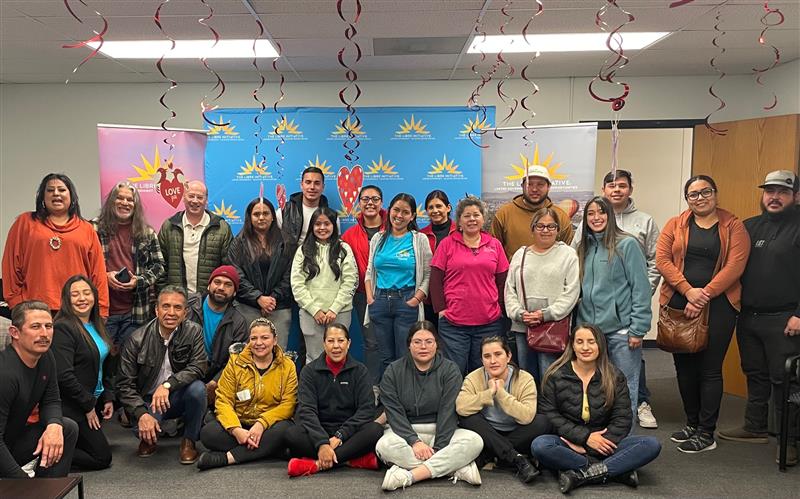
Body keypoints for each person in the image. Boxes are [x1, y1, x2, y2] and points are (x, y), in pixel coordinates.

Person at [656, 175, 750, 453]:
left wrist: (703, 294)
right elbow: (662, 260)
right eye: (693, 194)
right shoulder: (675, 224)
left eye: (705, 192)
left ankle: (706, 432)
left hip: (719, 305)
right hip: (678, 301)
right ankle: (692, 423)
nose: (700, 198)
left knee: (709, 369)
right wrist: (688, 291)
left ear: (715, 193)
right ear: (687, 199)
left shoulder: (733, 226)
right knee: (684, 368)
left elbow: (735, 266)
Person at [718, 171, 800, 465]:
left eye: (782, 192)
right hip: (749, 316)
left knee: (785, 382)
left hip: (786, 320)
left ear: (796, 196)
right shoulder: (750, 226)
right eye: (769, 191)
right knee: (754, 373)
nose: (774, 197)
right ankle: (755, 426)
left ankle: (791, 442)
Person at [573, 170, 662, 429]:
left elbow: (640, 288)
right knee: (596, 388)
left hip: (622, 331)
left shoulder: (627, 244)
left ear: (610, 216)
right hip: (590, 331)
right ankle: (599, 438)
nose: (596, 218)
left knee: (625, 389)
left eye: (601, 213)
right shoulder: (582, 248)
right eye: (591, 214)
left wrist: (638, 328)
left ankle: (626, 444)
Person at [531, 325, 661, 494]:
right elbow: (549, 415)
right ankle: (615, 471)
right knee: (540, 445)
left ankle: (581, 474)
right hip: (570, 442)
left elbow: (623, 418)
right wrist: (584, 438)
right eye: (580, 342)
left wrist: (592, 446)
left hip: (606, 443)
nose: (585, 347)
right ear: (572, 345)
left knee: (650, 444)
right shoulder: (555, 375)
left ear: (600, 345)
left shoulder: (614, 376)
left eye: (591, 342)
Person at [376, 321, 483, 491]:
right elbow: (394, 412)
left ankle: (409, 475)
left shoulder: (450, 369)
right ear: (409, 345)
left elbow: (448, 412)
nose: (423, 347)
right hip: (404, 432)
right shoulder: (393, 370)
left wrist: (439, 447)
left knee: (475, 441)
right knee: (384, 446)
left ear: (437, 344)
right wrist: (414, 441)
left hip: (442, 432)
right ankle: (454, 468)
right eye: (417, 342)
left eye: (429, 341)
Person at [117, 286, 208, 464]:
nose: (171, 313)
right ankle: (148, 435)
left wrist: (168, 385)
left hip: (176, 395)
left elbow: (198, 366)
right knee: (140, 428)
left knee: (198, 389)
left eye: (177, 307)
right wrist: (142, 413)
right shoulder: (136, 339)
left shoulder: (194, 331)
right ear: (156, 310)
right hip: (147, 401)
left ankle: (189, 441)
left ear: (186, 313)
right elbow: (124, 385)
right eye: (166, 306)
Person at [197, 318, 297, 470]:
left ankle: (227, 458)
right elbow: (223, 400)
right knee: (208, 433)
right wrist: (236, 430)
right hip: (240, 422)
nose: (258, 343)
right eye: (254, 338)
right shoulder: (235, 363)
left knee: (287, 431)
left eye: (265, 338)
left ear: (275, 340)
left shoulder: (288, 366)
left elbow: (288, 404)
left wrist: (261, 424)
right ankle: (272, 450)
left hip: (270, 426)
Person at [2, 173, 109, 316]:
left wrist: (101, 309)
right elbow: (10, 266)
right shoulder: (25, 223)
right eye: (50, 190)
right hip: (34, 309)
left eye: (62, 190)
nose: (56, 193)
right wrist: (16, 303)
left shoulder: (86, 229)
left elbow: (98, 272)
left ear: (71, 196)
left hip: (77, 309)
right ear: (42, 196)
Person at [285, 323, 383, 477]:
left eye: (341, 341)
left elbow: (366, 410)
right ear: (324, 344)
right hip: (318, 431)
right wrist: (322, 442)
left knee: (375, 430)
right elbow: (306, 410)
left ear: (349, 343)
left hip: (348, 434)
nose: (336, 346)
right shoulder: (309, 372)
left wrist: (339, 436)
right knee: (291, 434)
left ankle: (317, 464)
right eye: (330, 341)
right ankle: (349, 460)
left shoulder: (360, 371)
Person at [456, 335, 550, 484]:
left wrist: (500, 393)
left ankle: (492, 454)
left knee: (541, 422)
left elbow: (527, 416)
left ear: (508, 356)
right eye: (487, 356)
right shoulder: (473, 378)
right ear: (482, 360)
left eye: (498, 354)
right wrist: (489, 393)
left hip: (516, 432)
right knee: (468, 418)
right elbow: (461, 407)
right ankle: (516, 458)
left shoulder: (525, 378)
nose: (492, 361)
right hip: (487, 432)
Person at [430, 196, 509, 374]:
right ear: (459, 221)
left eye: (476, 215)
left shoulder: (495, 245)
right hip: (453, 324)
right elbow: (435, 279)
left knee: (484, 373)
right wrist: (441, 310)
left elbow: (503, 281)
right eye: (467, 216)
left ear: (483, 219)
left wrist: (502, 310)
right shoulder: (447, 244)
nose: (472, 219)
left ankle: (482, 402)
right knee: (453, 372)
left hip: (489, 323)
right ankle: (455, 403)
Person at [0, 301, 79, 478]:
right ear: (15, 332)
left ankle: (48, 491)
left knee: (66, 428)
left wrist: (53, 425)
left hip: (11, 441)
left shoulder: (45, 357)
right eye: (35, 327)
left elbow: (51, 399)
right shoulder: (5, 375)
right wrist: (25, 484)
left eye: (48, 326)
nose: (44, 334)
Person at [505, 207, 580, 381]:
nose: (545, 230)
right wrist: (519, 313)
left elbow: (572, 292)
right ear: (532, 229)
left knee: (551, 377)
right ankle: (530, 409)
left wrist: (545, 314)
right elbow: (510, 289)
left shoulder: (568, 255)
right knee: (526, 377)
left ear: (558, 230)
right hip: (523, 327)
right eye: (540, 226)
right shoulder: (520, 255)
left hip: (553, 327)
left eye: (551, 226)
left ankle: (549, 410)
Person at [93, 181, 165, 354]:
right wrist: (104, 276)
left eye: (130, 200)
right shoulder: (93, 229)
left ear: (135, 205)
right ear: (111, 201)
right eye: (120, 198)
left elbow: (159, 266)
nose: (125, 203)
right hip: (102, 311)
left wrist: (138, 281)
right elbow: (82, 266)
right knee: (102, 357)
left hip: (135, 312)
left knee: (129, 359)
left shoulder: (146, 233)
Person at [364, 193, 432, 377]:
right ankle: (388, 398)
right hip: (380, 301)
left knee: (405, 355)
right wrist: (370, 298)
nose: (399, 216)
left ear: (412, 216)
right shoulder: (378, 239)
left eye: (405, 212)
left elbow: (427, 274)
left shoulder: (419, 240)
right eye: (396, 210)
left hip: (406, 302)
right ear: (389, 211)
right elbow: (370, 270)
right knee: (384, 356)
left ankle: (406, 399)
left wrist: (417, 298)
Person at [52, 276, 114, 470]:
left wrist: (108, 398)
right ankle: (46, 455)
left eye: (86, 293)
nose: (82, 298)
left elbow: (103, 366)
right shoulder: (63, 327)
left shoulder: (97, 324)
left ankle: (68, 441)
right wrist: (88, 406)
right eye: (75, 294)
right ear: (66, 299)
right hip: (73, 404)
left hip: (93, 400)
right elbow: (64, 376)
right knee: (102, 458)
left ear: (94, 297)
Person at [291, 207, 357, 365]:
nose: (322, 228)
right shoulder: (303, 250)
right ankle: (314, 390)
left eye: (326, 224)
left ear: (334, 226)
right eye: (317, 224)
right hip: (311, 314)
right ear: (312, 227)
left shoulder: (344, 249)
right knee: (313, 359)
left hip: (340, 312)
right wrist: (315, 310)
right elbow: (297, 284)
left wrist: (334, 308)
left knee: (339, 358)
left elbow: (350, 281)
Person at [227, 197, 293, 350]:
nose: (261, 217)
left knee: (278, 355)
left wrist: (272, 299)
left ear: (272, 216)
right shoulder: (238, 243)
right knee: (249, 354)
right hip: (247, 307)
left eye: (266, 213)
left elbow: (290, 275)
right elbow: (236, 275)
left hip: (279, 307)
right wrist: (257, 297)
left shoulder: (286, 241)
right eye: (257, 214)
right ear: (249, 217)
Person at [341, 185, 386, 388]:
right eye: (366, 199)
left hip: (392, 294)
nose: (370, 203)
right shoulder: (349, 235)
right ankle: (374, 387)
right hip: (362, 296)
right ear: (359, 203)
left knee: (396, 341)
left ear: (381, 203)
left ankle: (394, 387)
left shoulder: (395, 228)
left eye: (375, 199)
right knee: (371, 343)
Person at [186, 265, 248, 405]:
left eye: (228, 285)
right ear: (209, 285)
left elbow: (236, 360)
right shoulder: (188, 306)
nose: (221, 287)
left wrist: (216, 381)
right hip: (184, 371)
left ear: (234, 293)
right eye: (217, 282)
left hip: (214, 377)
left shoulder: (239, 322)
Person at [157, 180, 232, 294]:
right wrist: (164, 294)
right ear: (183, 197)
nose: (195, 201)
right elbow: (160, 265)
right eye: (191, 196)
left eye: (200, 197)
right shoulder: (169, 226)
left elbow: (228, 267)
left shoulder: (221, 228)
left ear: (206, 200)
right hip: (176, 299)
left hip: (209, 299)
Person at [490, 164, 574, 262]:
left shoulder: (561, 217)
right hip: (514, 276)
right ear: (522, 186)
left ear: (549, 186)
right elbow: (493, 252)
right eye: (529, 184)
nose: (534, 189)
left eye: (540, 184)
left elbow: (568, 255)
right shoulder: (504, 214)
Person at [419, 190, 457, 324]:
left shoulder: (461, 232)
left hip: (456, 296)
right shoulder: (421, 236)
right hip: (429, 298)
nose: (435, 210)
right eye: (430, 207)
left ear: (448, 208)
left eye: (439, 206)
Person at [279, 166, 334, 251]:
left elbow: (334, 245)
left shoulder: (332, 216)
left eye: (317, 183)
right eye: (308, 182)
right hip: (289, 262)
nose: (312, 187)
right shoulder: (284, 211)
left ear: (323, 187)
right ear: (301, 185)